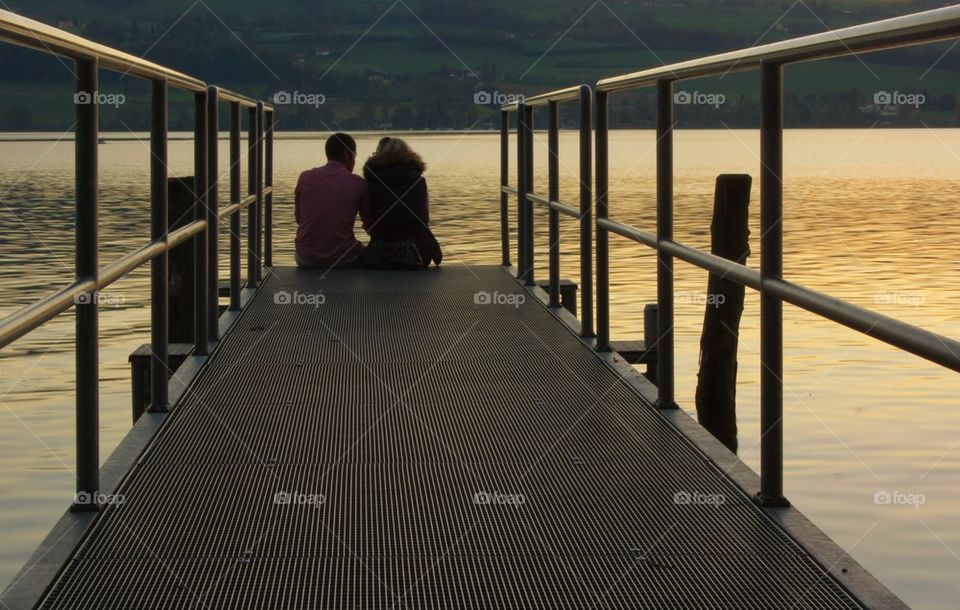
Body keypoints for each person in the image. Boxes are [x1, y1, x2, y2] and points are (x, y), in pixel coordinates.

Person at [361, 137, 443, 268]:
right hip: (415, 252)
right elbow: (423, 219)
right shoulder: (419, 181)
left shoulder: (371, 182)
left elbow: (369, 220)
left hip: (380, 252)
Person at [294, 133, 371, 268]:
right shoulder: (358, 183)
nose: (354, 161)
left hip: (306, 257)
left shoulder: (305, 177)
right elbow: (370, 225)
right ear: (347, 154)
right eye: (354, 156)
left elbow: (299, 219)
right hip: (344, 258)